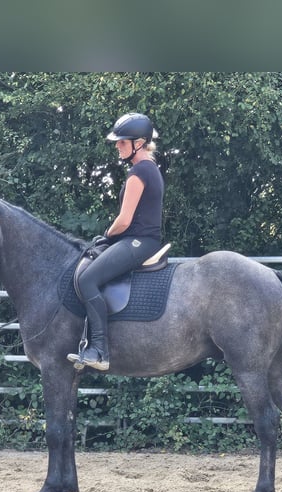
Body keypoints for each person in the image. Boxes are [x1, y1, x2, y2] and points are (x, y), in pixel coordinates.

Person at [67, 113, 164, 371]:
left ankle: (99, 350)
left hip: (139, 242)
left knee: (87, 279)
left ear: (140, 143)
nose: (117, 146)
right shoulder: (149, 168)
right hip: (143, 240)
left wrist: (107, 235)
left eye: (122, 142)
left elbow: (124, 220)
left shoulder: (138, 172)